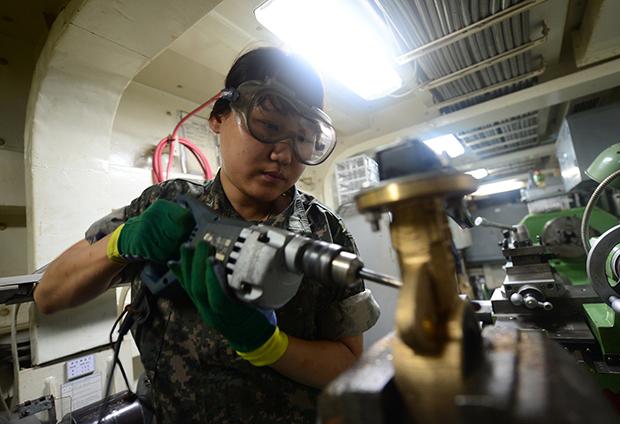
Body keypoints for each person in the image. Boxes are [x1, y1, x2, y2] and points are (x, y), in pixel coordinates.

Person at [34, 47, 380, 423]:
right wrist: (120, 243)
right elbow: (48, 295)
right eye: (268, 126)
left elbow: (349, 363)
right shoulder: (165, 204)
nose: (284, 155)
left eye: (304, 139)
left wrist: (269, 346)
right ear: (219, 116)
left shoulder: (325, 231)